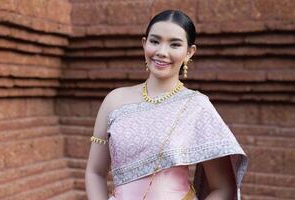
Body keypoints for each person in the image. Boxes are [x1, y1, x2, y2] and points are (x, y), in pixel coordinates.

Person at [85, 10, 248, 200]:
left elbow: (223, 188)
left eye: (175, 44)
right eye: (155, 41)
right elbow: (95, 172)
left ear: (189, 52)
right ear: (144, 43)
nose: (162, 52)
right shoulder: (114, 100)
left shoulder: (196, 106)